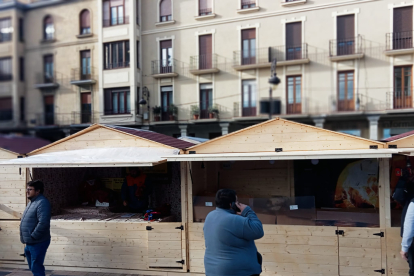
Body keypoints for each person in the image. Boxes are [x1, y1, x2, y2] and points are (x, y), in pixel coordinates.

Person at [203, 189, 264, 276]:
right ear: (231, 204)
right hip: (237, 271)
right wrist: (247, 211)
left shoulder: (210, 216)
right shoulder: (235, 220)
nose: (238, 204)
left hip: (212, 270)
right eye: (236, 202)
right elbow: (258, 231)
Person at [20, 180, 51, 276]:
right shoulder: (32, 202)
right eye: (27, 189)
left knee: (37, 268)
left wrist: (33, 236)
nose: (27, 191)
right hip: (30, 242)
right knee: (34, 267)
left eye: (30, 189)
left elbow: (43, 222)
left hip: (37, 242)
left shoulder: (42, 203)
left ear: (38, 191)